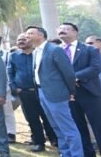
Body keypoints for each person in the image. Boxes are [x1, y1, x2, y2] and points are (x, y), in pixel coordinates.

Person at [26, 25, 83, 157]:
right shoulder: (35, 52)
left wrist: (71, 92)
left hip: (57, 95)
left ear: (41, 35)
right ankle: (65, 153)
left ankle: (77, 154)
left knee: (68, 128)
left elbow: (68, 73)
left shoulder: (54, 50)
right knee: (56, 127)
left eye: (30, 33)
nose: (27, 36)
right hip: (42, 93)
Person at [58, 22, 101, 157]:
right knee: (78, 126)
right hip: (68, 95)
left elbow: (95, 68)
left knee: (99, 125)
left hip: (90, 93)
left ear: (75, 32)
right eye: (60, 29)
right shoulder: (56, 51)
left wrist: (74, 77)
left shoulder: (89, 49)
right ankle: (88, 153)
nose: (62, 31)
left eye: (66, 29)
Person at [8, 33, 56, 152]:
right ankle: (39, 142)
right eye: (19, 40)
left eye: (24, 39)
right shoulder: (13, 56)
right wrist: (15, 87)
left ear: (30, 40)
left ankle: (55, 140)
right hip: (25, 92)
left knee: (47, 116)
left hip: (42, 90)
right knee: (32, 118)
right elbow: (10, 73)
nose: (21, 41)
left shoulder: (38, 53)